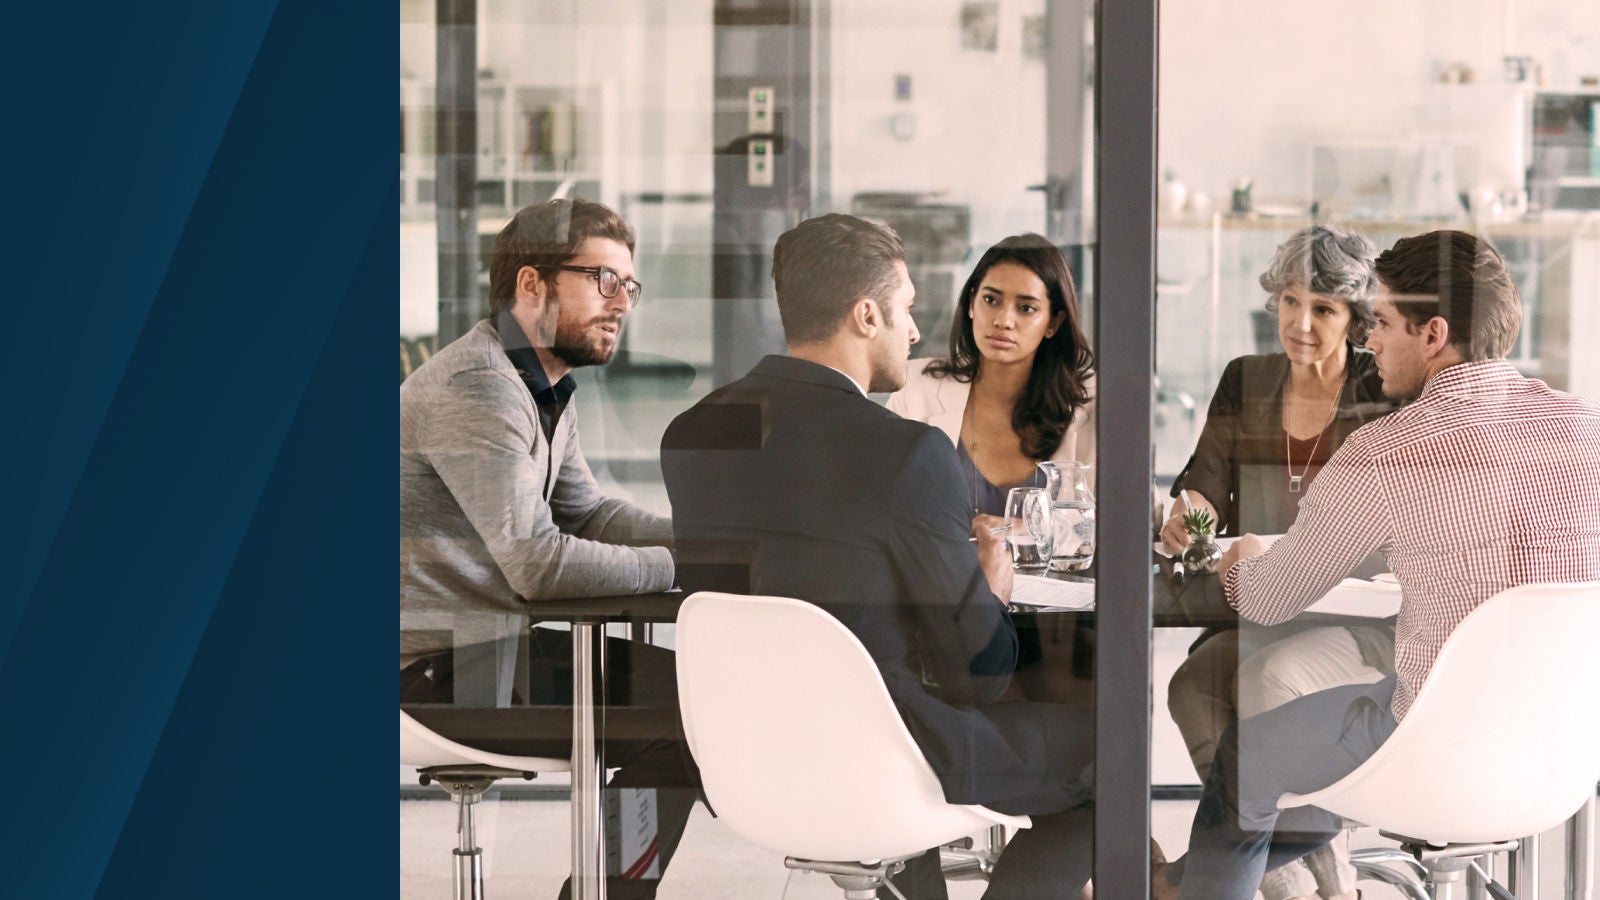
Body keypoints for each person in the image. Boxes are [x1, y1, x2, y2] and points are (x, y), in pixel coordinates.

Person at [662, 214, 1096, 900]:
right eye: (906, 310)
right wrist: (990, 589)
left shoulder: (693, 433)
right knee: (1108, 749)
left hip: (747, 754)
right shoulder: (905, 452)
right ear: (867, 316)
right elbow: (978, 677)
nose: (915, 332)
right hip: (887, 758)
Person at [1165, 230, 1600, 900]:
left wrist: (1243, 563)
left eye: (1386, 323)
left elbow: (1268, 600)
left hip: (1429, 749)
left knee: (1244, 760)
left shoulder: (1389, 449)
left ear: (1434, 335)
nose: (1372, 340)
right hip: (1562, 752)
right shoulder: (1586, 426)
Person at [400, 198, 696, 900]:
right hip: (432, 669)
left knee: (701, 700)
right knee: (691, 717)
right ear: (531, 284)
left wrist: (709, 542)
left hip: (484, 652)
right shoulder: (480, 389)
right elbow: (537, 563)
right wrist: (688, 565)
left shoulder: (543, 384)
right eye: (603, 280)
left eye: (629, 285)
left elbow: (586, 513)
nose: (621, 303)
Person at [1160, 225, 1400, 900]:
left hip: (1353, 623)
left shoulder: (1381, 390)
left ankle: (1302, 861)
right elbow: (1204, 486)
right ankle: (1287, 868)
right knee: (1193, 686)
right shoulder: (1247, 379)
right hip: (1262, 608)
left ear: (1355, 318)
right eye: (1291, 302)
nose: (1301, 324)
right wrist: (1189, 518)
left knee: (1266, 681)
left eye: (1323, 309)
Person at [888, 233, 1096, 515]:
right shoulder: (914, 388)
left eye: (1026, 308)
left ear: (1053, 323)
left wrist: (1025, 530)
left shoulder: (1091, 401)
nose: (1003, 320)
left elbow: (1115, 521)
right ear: (972, 303)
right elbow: (887, 511)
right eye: (991, 299)